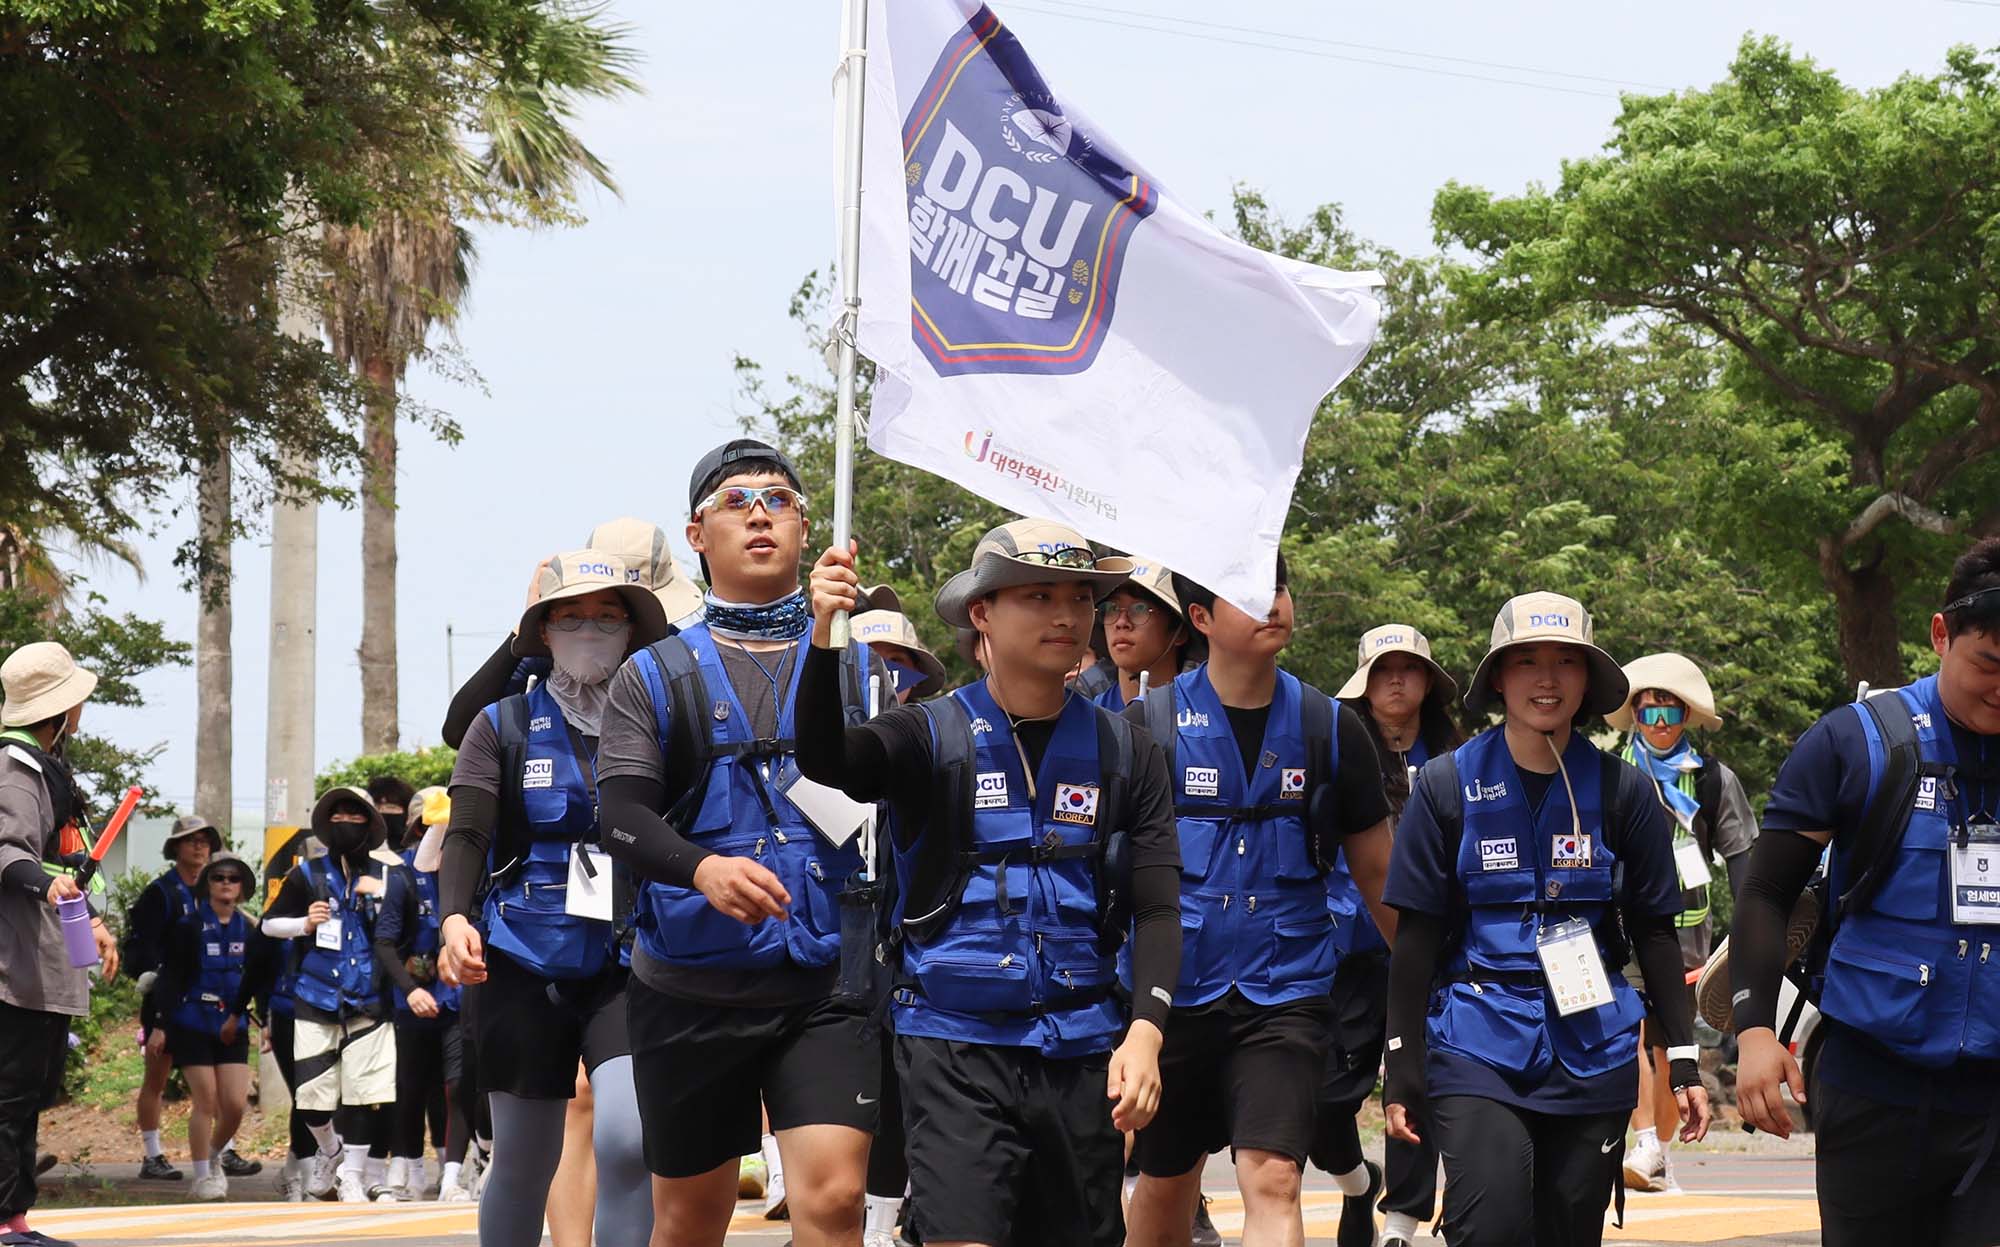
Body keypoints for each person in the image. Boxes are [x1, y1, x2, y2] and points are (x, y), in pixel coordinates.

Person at [796, 517, 1182, 1247]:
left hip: (1081, 1048)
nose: (1065, 614)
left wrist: (1145, 1030)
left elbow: (1159, 907)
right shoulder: (927, 735)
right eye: (1037, 595)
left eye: (1078, 597)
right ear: (982, 613)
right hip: (953, 1043)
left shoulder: (1127, 749)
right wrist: (824, 637)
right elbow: (825, 759)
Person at [596, 438, 886, 1247]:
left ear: (805, 532)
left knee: (833, 1200)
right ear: (696, 535)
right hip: (690, 988)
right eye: (735, 500)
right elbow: (618, 815)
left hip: (825, 982)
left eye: (780, 499)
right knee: (691, 1218)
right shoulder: (651, 675)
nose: (760, 512)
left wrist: (830, 636)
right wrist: (702, 866)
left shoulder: (861, 666)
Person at [1381, 593, 1711, 1247]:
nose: (1547, 677)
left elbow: (1654, 930)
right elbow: (1415, 938)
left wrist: (1684, 1057)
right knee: (1492, 1223)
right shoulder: (1446, 787)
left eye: (1566, 660)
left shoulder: (1625, 792)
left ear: (1588, 679)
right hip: (1475, 1042)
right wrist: (1402, 1062)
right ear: (1499, 676)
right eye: (1526, 660)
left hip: (1596, 1048)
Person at [1125, 559, 1399, 1247]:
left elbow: (1379, 873)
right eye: (1247, 594)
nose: (1272, 605)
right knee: (1167, 1178)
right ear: (1201, 618)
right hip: (1173, 996)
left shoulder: (1330, 727)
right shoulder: (1146, 726)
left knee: (1275, 1174)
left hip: (1287, 992)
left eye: (1278, 588)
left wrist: (1437, 992)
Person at [1733, 538, 2000, 1245]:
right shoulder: (1856, 743)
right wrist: (1756, 1030)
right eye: (1990, 664)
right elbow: (1765, 888)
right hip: (1873, 1086)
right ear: (1941, 634)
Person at [435, 549, 666, 1247]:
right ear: (542, 632)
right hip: (520, 957)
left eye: (607, 616)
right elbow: (468, 834)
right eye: (571, 617)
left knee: (629, 1140)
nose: (590, 629)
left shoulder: (660, 718)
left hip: (627, 959)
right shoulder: (500, 724)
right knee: (526, 1158)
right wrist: (451, 919)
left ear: (632, 630)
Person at [1315, 625, 1462, 1247]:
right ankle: (1355, 1182)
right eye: (1383, 669)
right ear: (1364, 684)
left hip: (1432, 948)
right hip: (1348, 946)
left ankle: (1402, 1219)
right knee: (1319, 1097)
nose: (1397, 679)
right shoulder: (1334, 747)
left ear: (1428, 682)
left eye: (1409, 668)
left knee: (1416, 1083)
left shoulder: (1462, 760)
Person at [1603, 653, 1756, 1193]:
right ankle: (1643, 1141)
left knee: (1674, 1045)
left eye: (1670, 713)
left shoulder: (1714, 780)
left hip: (1689, 933)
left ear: (1686, 717)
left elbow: (1741, 856)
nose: (1660, 725)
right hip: (1618, 928)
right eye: (1649, 714)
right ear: (1635, 718)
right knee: (1631, 1034)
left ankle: (1657, 1153)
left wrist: (1751, 932)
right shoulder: (1609, 772)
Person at [1, 640, 119, 1247]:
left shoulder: (45, 767)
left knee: (28, 1091)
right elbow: (10, 854)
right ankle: (4, 1220)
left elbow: (59, 862)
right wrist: (49, 886)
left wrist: (91, 919)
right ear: (61, 710)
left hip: (41, 954)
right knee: (9, 1091)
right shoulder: (16, 769)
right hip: (12, 960)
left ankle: (15, 1218)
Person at [258, 787, 401, 1202]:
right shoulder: (307, 875)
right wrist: (304, 922)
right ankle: (329, 1150)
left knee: (364, 1093)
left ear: (370, 825)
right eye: (336, 815)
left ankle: (353, 1176)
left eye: (354, 815)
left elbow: (408, 932)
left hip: (370, 999)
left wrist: (382, 897)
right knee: (311, 1096)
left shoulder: (388, 875)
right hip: (315, 996)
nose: (345, 821)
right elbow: (268, 925)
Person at [150, 852, 276, 1201]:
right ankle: (202, 1176)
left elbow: (260, 980)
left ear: (242, 887)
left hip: (232, 1022)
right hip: (192, 1020)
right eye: (218, 877)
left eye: (233, 878)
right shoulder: (187, 927)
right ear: (207, 885)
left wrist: (266, 1022)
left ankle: (216, 1153)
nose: (225, 883)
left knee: (234, 1104)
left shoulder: (251, 929)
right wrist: (161, 1024)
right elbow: (170, 978)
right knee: (205, 1099)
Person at [373, 784, 469, 1202]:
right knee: (410, 1085)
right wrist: (411, 990)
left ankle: (452, 1176)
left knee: (458, 1085)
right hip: (413, 1002)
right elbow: (385, 942)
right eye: (430, 829)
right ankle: (408, 1167)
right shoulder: (403, 877)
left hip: (459, 1000)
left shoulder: (468, 873)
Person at [122, 813, 223, 1182]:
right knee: (157, 1078)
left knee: (213, 1081)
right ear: (176, 847)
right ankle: (152, 1155)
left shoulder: (216, 888)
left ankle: (221, 1150)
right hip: (166, 997)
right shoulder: (160, 892)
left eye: (205, 840)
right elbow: (140, 945)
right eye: (191, 839)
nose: (199, 846)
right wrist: (154, 978)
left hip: (208, 1001)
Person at [1094, 559, 1192, 712]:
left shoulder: (1203, 715)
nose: (1121, 622)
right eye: (1111, 608)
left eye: (1140, 609)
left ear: (1179, 632)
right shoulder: (1086, 716)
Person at [852, 585, 947, 706]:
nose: (882, 672)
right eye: (865, 659)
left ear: (916, 671)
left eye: (895, 660)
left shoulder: (930, 722)